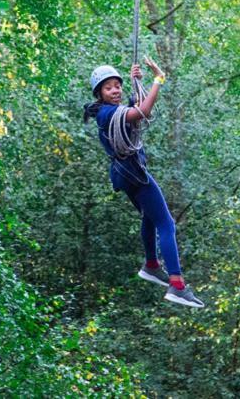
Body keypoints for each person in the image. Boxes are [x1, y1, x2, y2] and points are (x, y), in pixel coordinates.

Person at [82, 57, 204, 308]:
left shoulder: (113, 111)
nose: (115, 90)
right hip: (133, 173)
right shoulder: (107, 114)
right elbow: (143, 111)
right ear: (100, 94)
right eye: (108, 88)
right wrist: (158, 79)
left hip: (125, 174)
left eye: (117, 85)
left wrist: (138, 80)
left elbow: (136, 106)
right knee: (167, 224)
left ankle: (151, 265)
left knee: (150, 218)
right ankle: (177, 285)